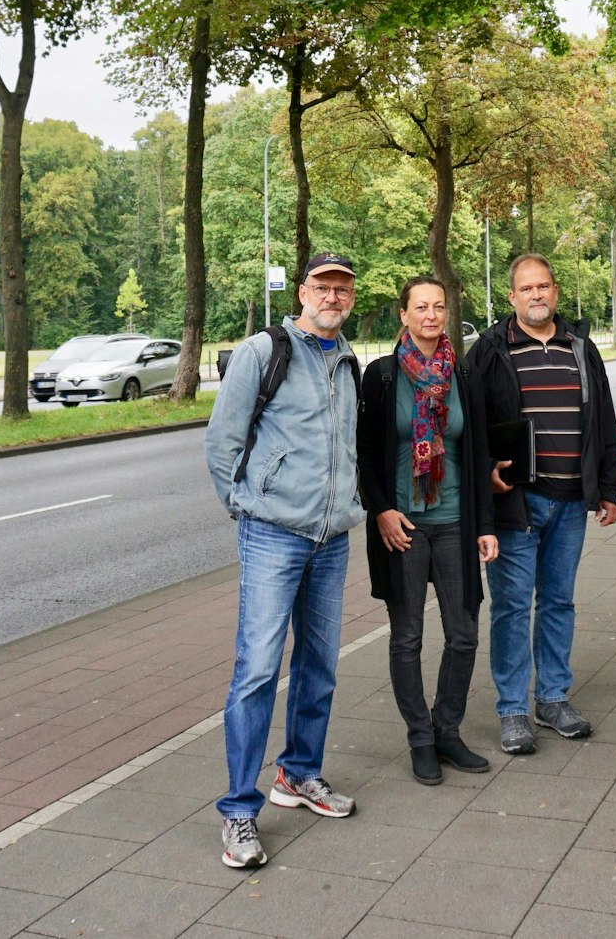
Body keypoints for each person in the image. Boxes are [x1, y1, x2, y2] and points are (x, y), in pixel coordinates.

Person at [203, 252, 366, 868]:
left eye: (342, 289)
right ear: (303, 291)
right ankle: (239, 812)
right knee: (258, 670)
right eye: (323, 286)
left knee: (319, 665)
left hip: (332, 538)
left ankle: (298, 774)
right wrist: (247, 506)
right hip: (273, 534)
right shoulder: (263, 351)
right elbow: (222, 442)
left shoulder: (348, 360)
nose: (333, 296)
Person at [465, 253, 616, 755]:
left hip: (571, 500)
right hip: (516, 503)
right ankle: (512, 709)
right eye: (526, 288)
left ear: (556, 293)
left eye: (544, 287)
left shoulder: (580, 347)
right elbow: (469, 424)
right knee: (512, 607)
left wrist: (610, 487)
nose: (537, 295)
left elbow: (603, 417)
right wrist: (486, 468)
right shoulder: (489, 350)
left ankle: (552, 699)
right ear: (511, 297)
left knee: (558, 602)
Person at [357, 277, 499, 785]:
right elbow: (366, 455)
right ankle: (419, 739)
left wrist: (484, 525)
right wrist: (381, 510)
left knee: (463, 635)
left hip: (456, 523)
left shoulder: (462, 373)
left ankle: (447, 731)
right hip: (405, 528)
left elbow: (476, 452)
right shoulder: (382, 376)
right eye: (421, 307)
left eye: (439, 307)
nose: (432, 315)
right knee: (408, 637)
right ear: (404, 314)